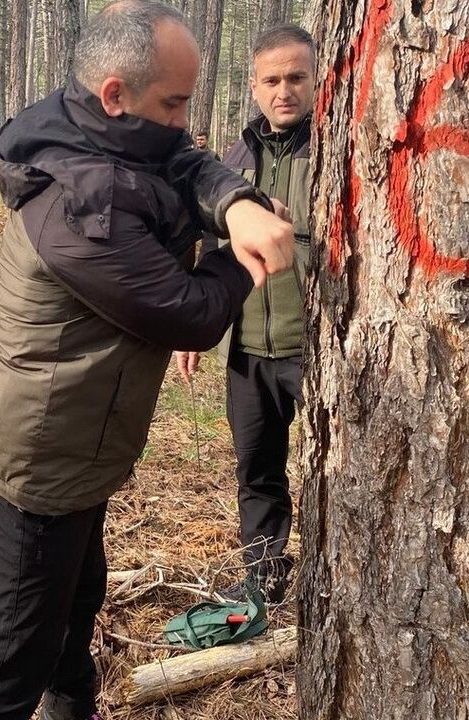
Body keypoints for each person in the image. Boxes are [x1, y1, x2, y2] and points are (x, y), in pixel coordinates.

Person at [0, 2, 295, 719]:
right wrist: (243, 255)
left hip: (77, 448)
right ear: (115, 93)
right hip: (40, 464)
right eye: (173, 102)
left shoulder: (93, 127)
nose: (182, 120)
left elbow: (181, 158)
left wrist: (233, 202)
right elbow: (192, 315)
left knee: (73, 615)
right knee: (12, 654)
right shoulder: (81, 206)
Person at [175, 23, 316, 605]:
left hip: (321, 348)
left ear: (316, 81)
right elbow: (211, 247)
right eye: (272, 80)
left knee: (349, 469)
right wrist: (194, 328)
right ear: (254, 87)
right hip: (249, 349)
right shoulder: (231, 161)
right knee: (257, 469)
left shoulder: (342, 150)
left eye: (296, 78)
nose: (284, 91)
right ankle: (264, 578)